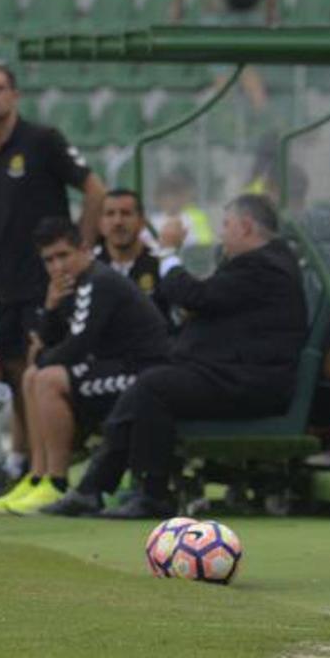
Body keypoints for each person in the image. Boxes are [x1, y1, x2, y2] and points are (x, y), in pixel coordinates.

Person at [47, 195, 308, 518]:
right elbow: (214, 305)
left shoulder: (263, 265)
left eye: (225, 226)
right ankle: (98, 489)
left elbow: (197, 296)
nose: (221, 234)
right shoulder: (263, 263)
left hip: (251, 382)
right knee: (151, 383)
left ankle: (144, 493)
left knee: (154, 386)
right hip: (235, 372)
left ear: (245, 226)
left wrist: (168, 253)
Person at [0, 62, 106, 486]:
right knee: (13, 372)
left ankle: (48, 468)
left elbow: (95, 189)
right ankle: (25, 459)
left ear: (14, 95)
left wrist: (83, 251)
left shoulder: (43, 141)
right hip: (4, 284)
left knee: (38, 367)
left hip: (48, 284)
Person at [0, 217, 170, 514]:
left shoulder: (97, 281)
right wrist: (50, 307)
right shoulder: (69, 287)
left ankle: (57, 483)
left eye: (64, 256)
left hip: (143, 373)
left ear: (84, 249)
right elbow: (49, 339)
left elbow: (78, 345)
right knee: (33, 376)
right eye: (49, 260)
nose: (57, 266)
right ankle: (38, 476)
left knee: (46, 378)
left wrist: (42, 357)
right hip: (113, 368)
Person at [96, 187, 171, 321]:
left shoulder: (161, 265)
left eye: (125, 213)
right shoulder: (89, 268)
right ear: (100, 224)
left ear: (141, 222)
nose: (118, 221)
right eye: (110, 214)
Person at [151, 165, 214, 248]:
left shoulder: (193, 219)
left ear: (183, 197)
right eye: (165, 194)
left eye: (174, 193)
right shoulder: (152, 222)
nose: (170, 199)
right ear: (158, 198)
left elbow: (202, 245)